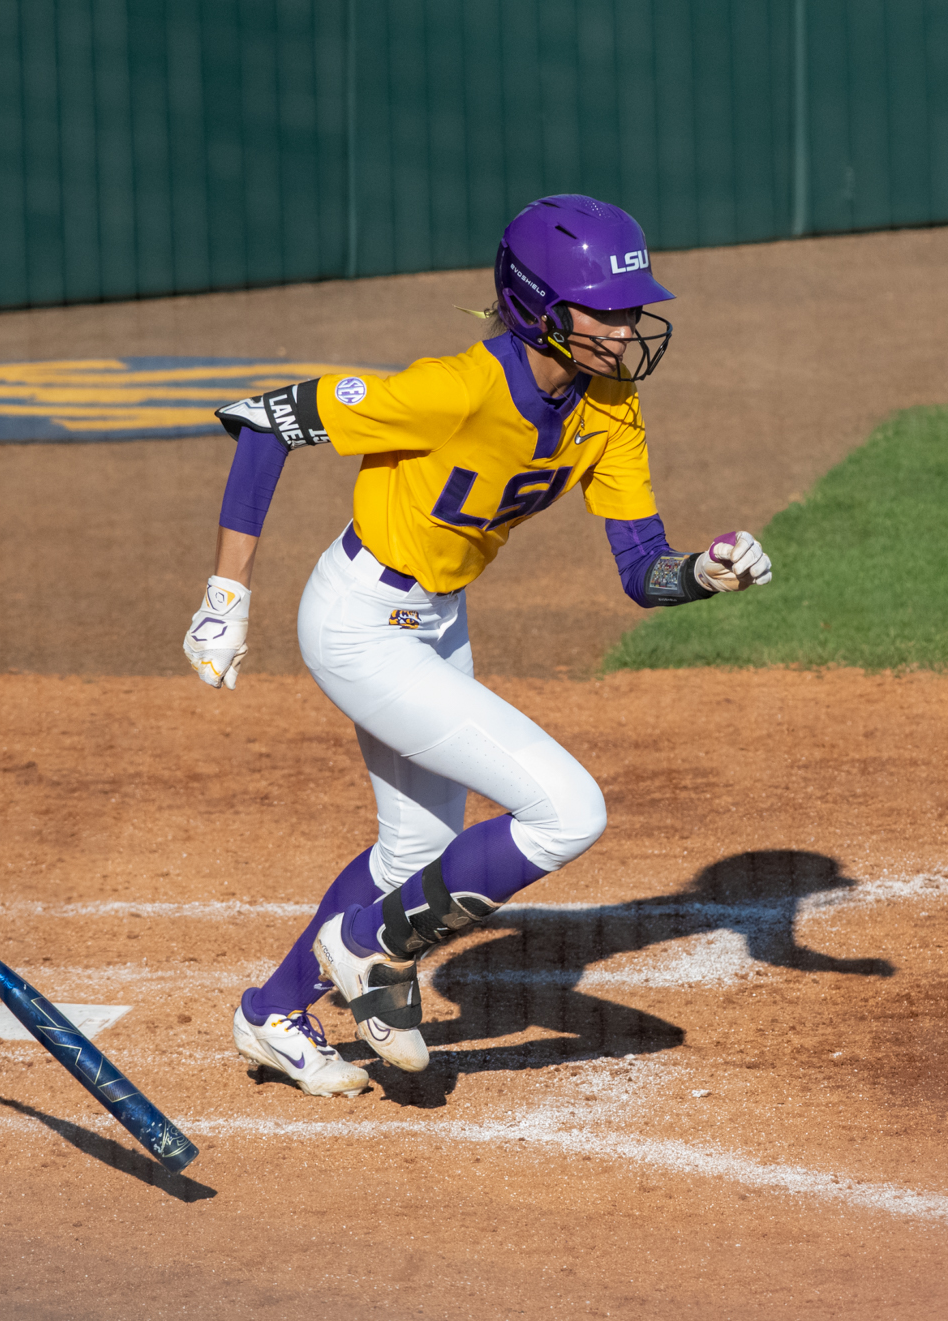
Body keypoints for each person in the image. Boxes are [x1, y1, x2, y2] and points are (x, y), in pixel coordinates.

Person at [184, 194, 773, 1097]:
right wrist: (227, 596)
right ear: (541, 305)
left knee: (412, 851)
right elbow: (268, 419)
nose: (628, 329)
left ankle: (273, 1012)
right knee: (567, 810)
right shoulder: (452, 388)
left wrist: (705, 571)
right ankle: (370, 945)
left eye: (631, 310)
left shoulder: (608, 404)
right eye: (607, 312)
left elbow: (640, 568)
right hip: (358, 622)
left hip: (436, 623)